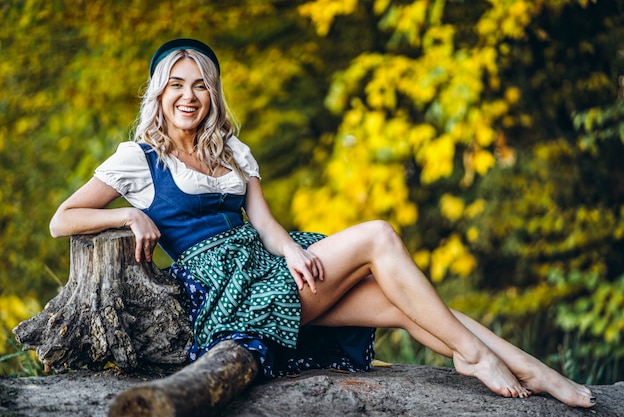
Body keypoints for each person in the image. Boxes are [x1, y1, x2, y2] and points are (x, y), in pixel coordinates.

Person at [50, 38, 596, 408]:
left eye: (200, 85)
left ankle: (532, 369)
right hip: (227, 294)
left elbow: (264, 223)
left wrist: (291, 252)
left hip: (268, 267)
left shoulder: (232, 150)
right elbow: (62, 219)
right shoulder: (137, 157)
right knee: (379, 235)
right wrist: (129, 212)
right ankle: (474, 356)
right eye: (176, 85)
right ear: (159, 93)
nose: (189, 97)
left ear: (212, 93)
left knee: (401, 304)